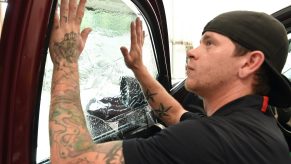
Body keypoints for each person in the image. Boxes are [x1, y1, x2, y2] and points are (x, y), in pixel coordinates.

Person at [48, 0, 291, 163]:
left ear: (249, 63)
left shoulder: (215, 140)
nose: (192, 52)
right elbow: (175, 113)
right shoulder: (249, 126)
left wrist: (65, 61)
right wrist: (138, 68)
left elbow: (72, 158)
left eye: (209, 43)